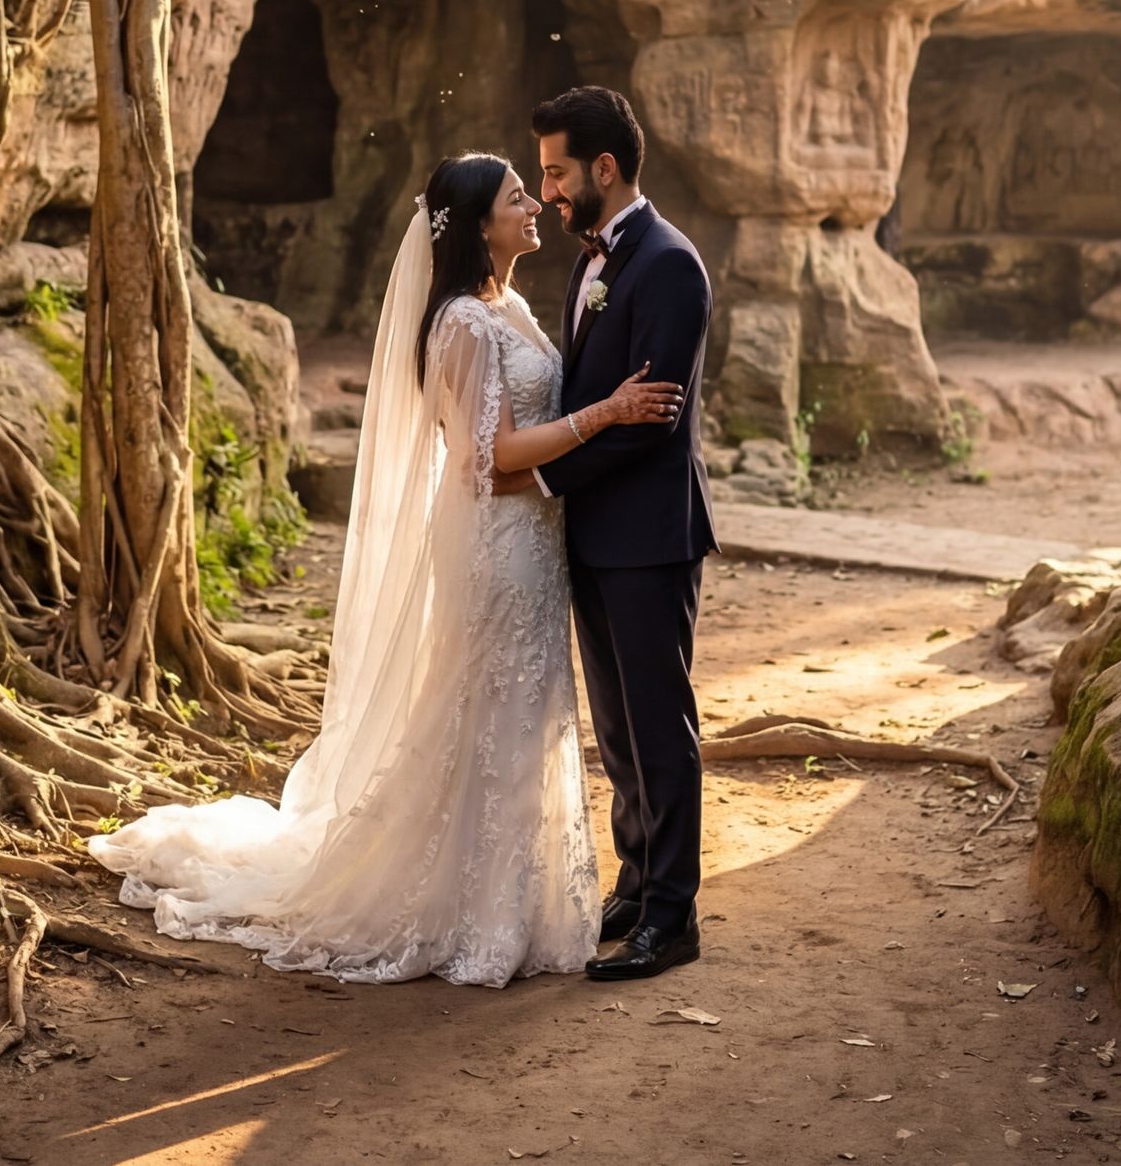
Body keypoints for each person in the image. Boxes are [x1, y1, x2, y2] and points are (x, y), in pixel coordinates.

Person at [88, 152, 683, 985]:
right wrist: (609, 410)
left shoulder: (506, 303)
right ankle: (470, 911)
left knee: (517, 716)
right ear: (480, 225)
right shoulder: (462, 325)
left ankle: (514, 902)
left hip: (534, 542)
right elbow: (491, 459)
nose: (537, 203)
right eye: (520, 196)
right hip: (497, 544)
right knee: (488, 717)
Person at [530, 85, 717, 981]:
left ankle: (673, 916)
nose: (550, 191)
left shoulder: (670, 265)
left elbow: (651, 423)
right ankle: (638, 884)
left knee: (658, 721)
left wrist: (548, 470)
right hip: (596, 537)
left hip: (649, 535)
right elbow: (592, 392)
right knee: (618, 726)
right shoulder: (593, 260)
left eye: (558, 172)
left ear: (606, 168)